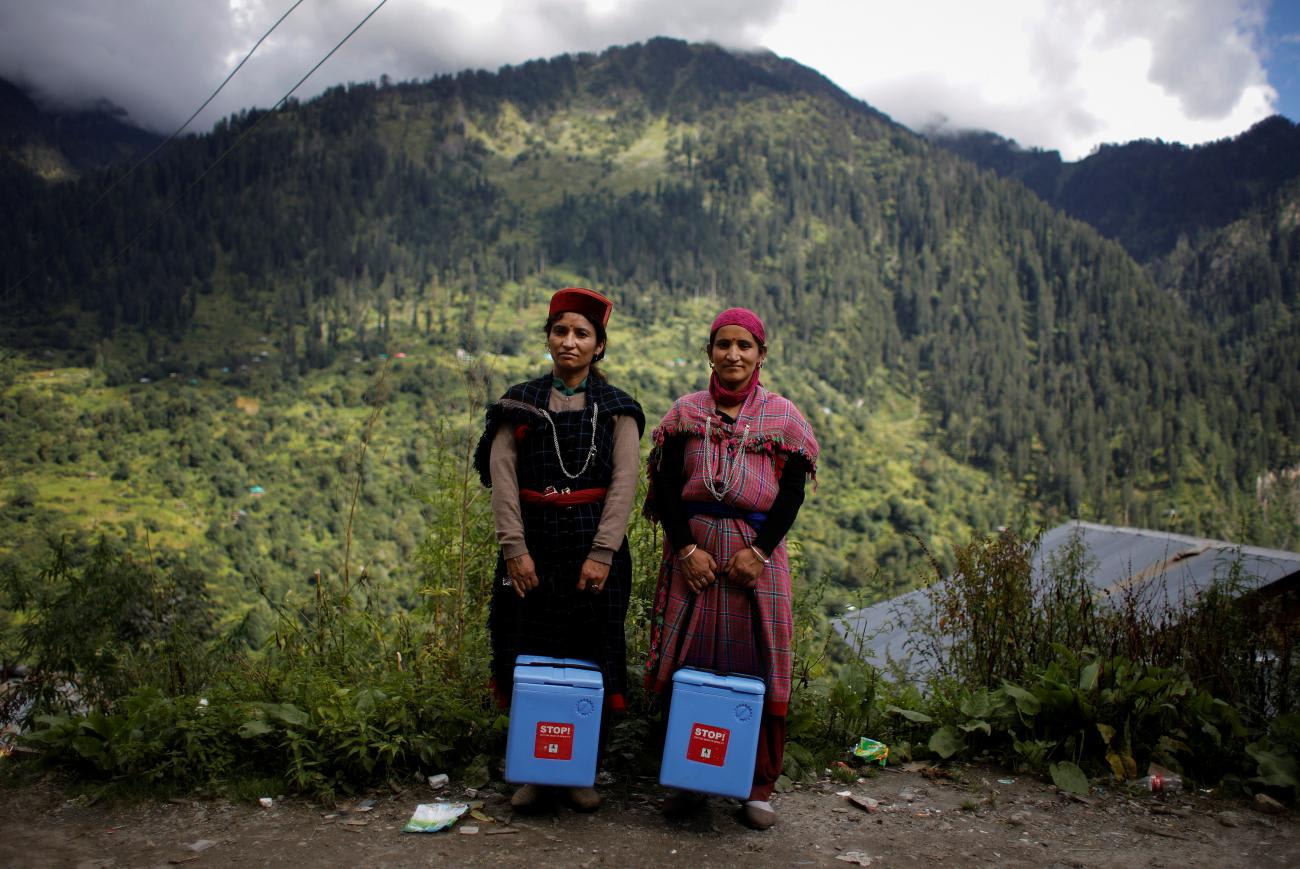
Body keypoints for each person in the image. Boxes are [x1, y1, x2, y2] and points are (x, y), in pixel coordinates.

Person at [644, 306, 818, 830]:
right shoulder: (685, 414)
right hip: (694, 553)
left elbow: (790, 494)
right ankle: (688, 778)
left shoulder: (783, 418)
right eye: (724, 344)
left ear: (762, 354)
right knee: (689, 658)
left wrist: (759, 552)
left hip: (755, 556)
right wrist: (684, 550)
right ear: (710, 353)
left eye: (745, 345)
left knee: (761, 661)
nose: (733, 354)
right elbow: (667, 489)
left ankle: (756, 785)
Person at [473, 287, 645, 813]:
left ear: (599, 345)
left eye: (582, 334)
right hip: (532, 547)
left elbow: (624, 482)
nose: (569, 342)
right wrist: (513, 549)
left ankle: (579, 771)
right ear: (548, 337)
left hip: (595, 549)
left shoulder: (617, 409)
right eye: (560, 331)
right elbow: (502, 478)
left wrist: (602, 552)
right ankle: (531, 770)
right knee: (529, 652)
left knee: (588, 656)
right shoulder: (517, 403)